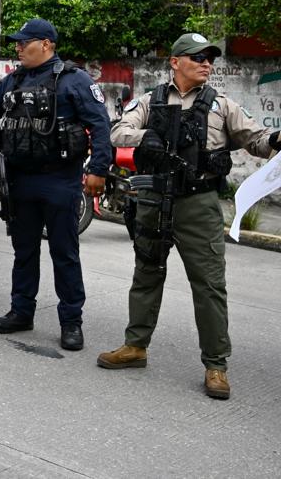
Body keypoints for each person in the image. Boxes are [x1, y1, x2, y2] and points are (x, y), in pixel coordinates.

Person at [98, 32, 280, 400]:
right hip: (154, 198)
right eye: (197, 57)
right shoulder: (150, 101)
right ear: (175, 62)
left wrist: (276, 140)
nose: (206, 64)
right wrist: (145, 136)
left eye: (209, 58)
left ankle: (216, 365)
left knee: (209, 285)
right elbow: (118, 131)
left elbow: (256, 140)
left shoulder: (222, 104)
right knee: (147, 272)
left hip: (199, 203)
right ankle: (135, 346)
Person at [0, 18, 112, 351]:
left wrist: (98, 169)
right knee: (24, 252)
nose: (18, 47)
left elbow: (100, 124)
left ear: (47, 44)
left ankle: (71, 322)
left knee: (64, 253)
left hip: (60, 180)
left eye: (25, 42)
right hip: (21, 180)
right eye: (17, 43)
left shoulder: (73, 80)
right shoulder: (13, 80)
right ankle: (21, 311)